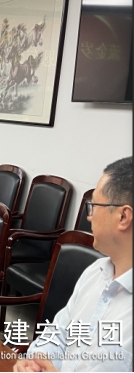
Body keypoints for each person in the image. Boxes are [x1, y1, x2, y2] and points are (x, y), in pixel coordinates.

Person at [13, 157, 132, 373]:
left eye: (94, 206)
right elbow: (58, 334)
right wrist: (36, 362)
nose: (89, 217)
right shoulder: (95, 272)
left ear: (123, 216)